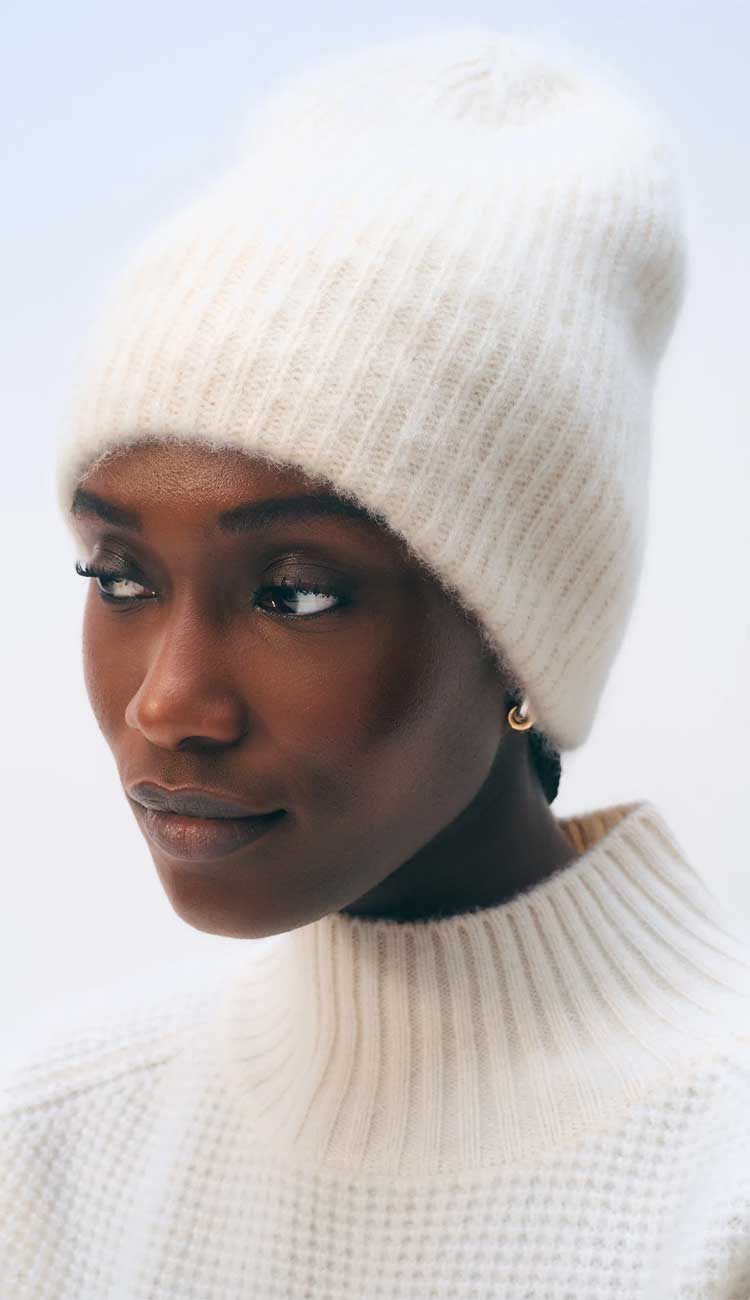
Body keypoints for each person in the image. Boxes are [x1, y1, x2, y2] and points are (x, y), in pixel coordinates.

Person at [3, 26, 750, 1300]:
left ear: (520, 630)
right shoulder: (49, 1143)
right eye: (119, 577)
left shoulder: (716, 1186)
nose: (168, 703)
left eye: (294, 592)